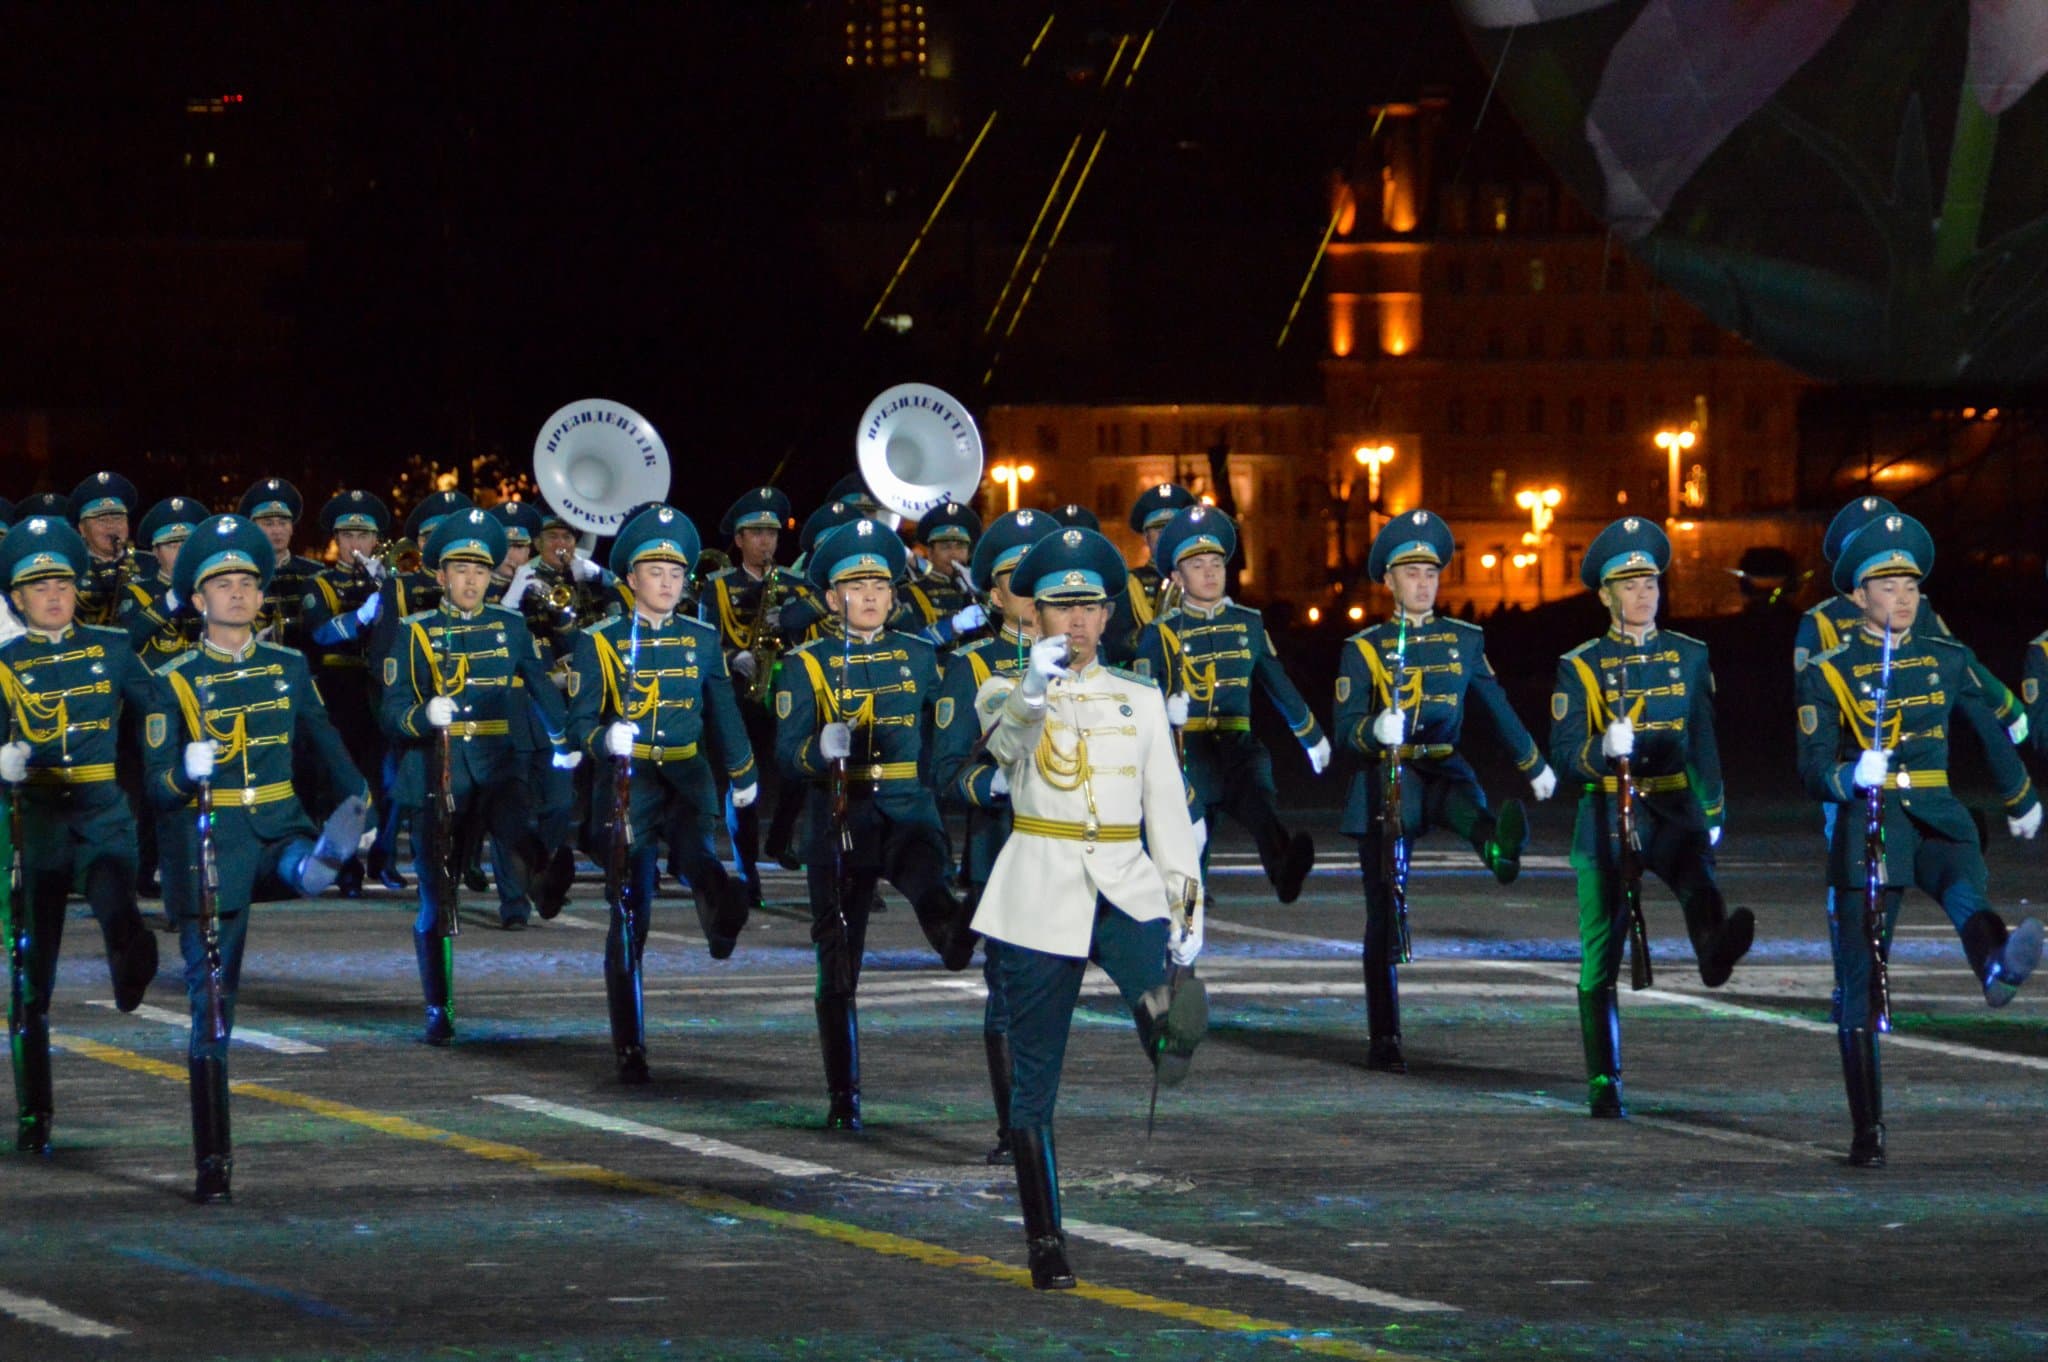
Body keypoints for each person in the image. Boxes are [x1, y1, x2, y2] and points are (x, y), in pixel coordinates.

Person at [969, 525, 1207, 1289]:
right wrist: (1035, 689)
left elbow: (1168, 814)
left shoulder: (1138, 699)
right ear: (1033, 616)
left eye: (1089, 608)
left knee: (1161, 992)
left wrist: (1187, 913)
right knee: (1035, 1082)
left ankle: (1163, 1023)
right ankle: (1046, 1243)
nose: (1075, 621)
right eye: (1060, 607)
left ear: (1108, 616)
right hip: (1040, 884)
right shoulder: (1003, 690)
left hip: (1124, 880)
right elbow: (1007, 754)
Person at [1796, 511, 2043, 1166]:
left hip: (1936, 810)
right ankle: (1867, 1128)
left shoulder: (1946, 656)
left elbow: (1985, 721)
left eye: (1910, 586)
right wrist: (1850, 773)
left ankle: (1994, 964)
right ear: (1857, 597)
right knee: (1861, 980)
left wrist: (2020, 793)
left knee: (1964, 879)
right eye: (1887, 585)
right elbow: (1810, 764)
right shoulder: (1826, 670)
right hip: (1870, 823)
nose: (1903, 597)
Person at [146, 514, 369, 1201]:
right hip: (212, 844)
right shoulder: (172, 680)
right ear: (198, 599)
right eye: (223, 584)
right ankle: (213, 1161)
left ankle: (318, 864)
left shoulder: (289, 665)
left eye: (247, 581)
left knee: (301, 862)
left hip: (277, 822)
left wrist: (358, 797)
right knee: (213, 1008)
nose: (238, 593)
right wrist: (185, 772)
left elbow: (323, 738)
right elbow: (155, 785)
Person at [772, 518, 976, 1130]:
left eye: (880, 587)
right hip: (841, 820)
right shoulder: (807, 663)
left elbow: (949, 729)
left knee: (935, 895)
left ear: (893, 594)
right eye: (855, 588)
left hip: (909, 811)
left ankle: (962, 934)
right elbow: (786, 751)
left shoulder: (921, 655)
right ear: (833, 599)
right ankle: (844, 1095)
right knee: (839, 962)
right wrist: (818, 750)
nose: (868, 597)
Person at [1336, 510, 1558, 1072]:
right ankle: (1384, 1036)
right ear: (1388, 582)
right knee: (1383, 911)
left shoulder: (1464, 639)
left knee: (1470, 808)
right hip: (1387, 776)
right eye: (1411, 574)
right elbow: (1344, 729)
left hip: (1442, 766)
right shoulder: (1364, 648)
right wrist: (1371, 731)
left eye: (1431, 573)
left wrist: (1533, 764)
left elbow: (1497, 705)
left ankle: (1499, 849)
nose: (1423, 583)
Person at [1549, 516, 1755, 1118]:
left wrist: (1713, 809)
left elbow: (1705, 739)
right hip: (1609, 813)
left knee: (1702, 887)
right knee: (1602, 951)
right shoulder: (1581, 666)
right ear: (1605, 594)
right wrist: (1600, 751)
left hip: (1674, 806)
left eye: (1651, 584)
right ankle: (1604, 1079)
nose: (1644, 595)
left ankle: (1715, 953)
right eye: (1631, 586)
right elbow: (1564, 756)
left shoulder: (1690, 656)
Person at [565, 506, 755, 1081]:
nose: (669, 582)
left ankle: (724, 916)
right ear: (630, 580)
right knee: (631, 911)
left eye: (676, 573)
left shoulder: (701, 639)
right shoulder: (597, 643)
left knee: (702, 859)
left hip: (688, 776)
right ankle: (630, 1044)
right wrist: (603, 737)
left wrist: (743, 773)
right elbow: (577, 726)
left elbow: (723, 714)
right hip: (631, 786)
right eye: (656, 572)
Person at [0, 515, 164, 1157]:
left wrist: (173, 763)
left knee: (119, 911)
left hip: (100, 814)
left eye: (62, 584)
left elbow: (156, 709)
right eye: (39, 588)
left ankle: (131, 968)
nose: (53, 596)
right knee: (29, 978)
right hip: (36, 824)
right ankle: (35, 1112)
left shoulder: (112, 647)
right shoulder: (5, 663)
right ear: (16, 598)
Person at [379, 508, 575, 1043]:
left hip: (497, 761)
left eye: (481, 571)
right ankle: (438, 1007)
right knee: (437, 898)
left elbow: (539, 687)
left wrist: (565, 743)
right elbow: (391, 708)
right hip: (434, 774)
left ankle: (542, 875)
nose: (471, 581)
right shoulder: (416, 632)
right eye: (460, 570)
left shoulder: (511, 627)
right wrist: (422, 717)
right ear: (440, 576)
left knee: (518, 826)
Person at [930, 508, 1057, 1163]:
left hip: (1071, 851)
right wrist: (993, 787)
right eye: (1019, 581)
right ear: (997, 594)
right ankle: (1018, 1128)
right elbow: (946, 768)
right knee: (1009, 992)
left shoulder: (1089, 659)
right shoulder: (973, 664)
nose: (1035, 595)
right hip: (1005, 848)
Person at [1134, 505, 1327, 902]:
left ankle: (1283, 867)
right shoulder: (1161, 633)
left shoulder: (1248, 623)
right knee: (1191, 845)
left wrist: (1311, 735)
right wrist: (1162, 713)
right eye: (1198, 565)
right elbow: (1139, 694)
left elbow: (1276, 681)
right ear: (1176, 576)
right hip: (1189, 752)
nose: (1209, 572)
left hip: (1238, 744)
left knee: (1260, 801)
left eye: (1216, 563)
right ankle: (1182, 916)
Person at [700, 488, 814, 904]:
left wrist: (792, 621)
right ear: (740, 540)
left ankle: (781, 836)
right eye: (756, 533)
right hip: (740, 694)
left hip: (787, 691)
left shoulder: (797, 585)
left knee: (800, 770)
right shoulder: (717, 587)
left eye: (771, 533)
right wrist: (733, 656)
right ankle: (748, 875)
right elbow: (705, 639)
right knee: (743, 785)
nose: (766, 542)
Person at [302, 491, 397, 898]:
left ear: (376, 541)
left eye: (364, 535)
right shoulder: (320, 583)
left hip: (382, 689)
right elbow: (320, 633)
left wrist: (388, 594)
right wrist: (359, 616)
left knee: (387, 779)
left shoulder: (391, 581)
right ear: (337, 540)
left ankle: (384, 857)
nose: (356, 543)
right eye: (348, 535)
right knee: (342, 780)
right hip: (340, 689)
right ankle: (346, 868)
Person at [237, 479, 327, 650]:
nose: (277, 530)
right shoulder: (238, 575)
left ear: (292, 528)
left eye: (283, 523)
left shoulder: (316, 573)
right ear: (254, 528)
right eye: (268, 524)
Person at [898, 501, 988, 653]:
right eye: (945, 547)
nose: (954, 554)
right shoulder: (910, 593)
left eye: (960, 547)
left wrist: (983, 593)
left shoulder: (973, 590)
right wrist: (954, 625)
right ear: (930, 552)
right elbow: (913, 645)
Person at [66, 472, 148, 628]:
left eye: (118, 518)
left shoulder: (151, 565)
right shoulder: (70, 569)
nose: (111, 525)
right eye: (101, 519)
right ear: (82, 529)